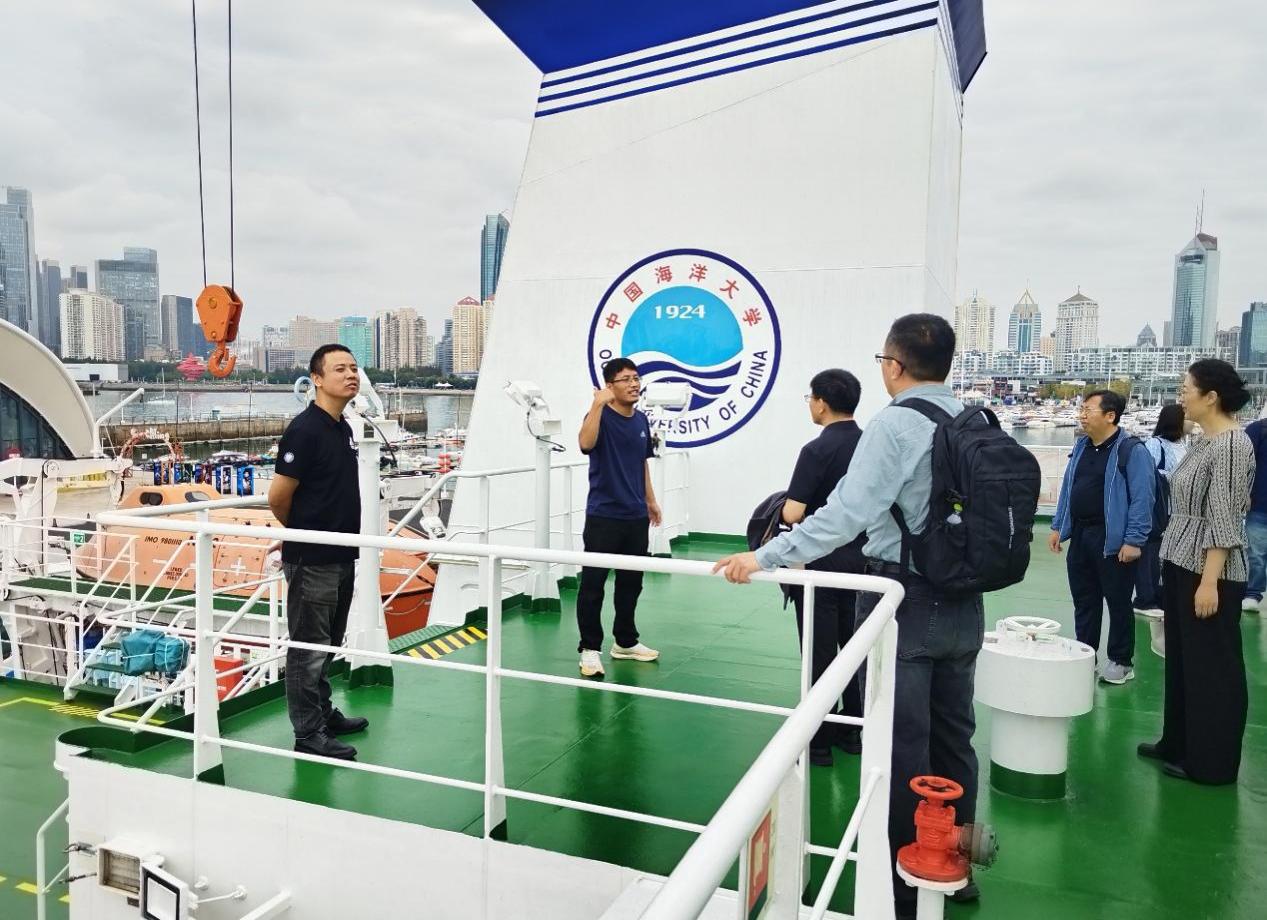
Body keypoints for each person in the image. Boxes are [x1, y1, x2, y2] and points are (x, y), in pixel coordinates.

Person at [714, 314, 982, 917]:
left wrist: (763, 556)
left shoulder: (896, 424)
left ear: (894, 365)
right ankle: (955, 867)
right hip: (967, 599)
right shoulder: (971, 419)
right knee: (955, 738)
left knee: (902, 742)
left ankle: (907, 882)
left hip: (905, 596)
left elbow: (844, 515)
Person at [1139, 360, 1253, 784]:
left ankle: (1211, 763)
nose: (1181, 396)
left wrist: (1209, 582)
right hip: (1182, 560)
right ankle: (1178, 742)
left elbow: (1224, 517)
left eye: (1186, 389)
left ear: (1212, 396)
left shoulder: (1231, 445)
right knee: (1184, 661)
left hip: (1208, 570)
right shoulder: (1204, 441)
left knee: (1213, 668)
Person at [268, 344, 368, 761]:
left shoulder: (341, 427)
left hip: (342, 554)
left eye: (354, 367)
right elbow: (278, 497)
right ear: (317, 380)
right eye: (340, 369)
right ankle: (308, 734)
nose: (351, 374)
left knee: (328, 644)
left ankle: (323, 714)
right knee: (308, 650)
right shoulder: (305, 430)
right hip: (312, 560)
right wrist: (299, 532)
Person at [784, 369, 868, 767]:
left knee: (819, 650)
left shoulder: (815, 451)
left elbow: (793, 512)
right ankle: (852, 731)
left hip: (822, 562)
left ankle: (817, 741)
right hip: (865, 562)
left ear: (821, 402)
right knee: (856, 646)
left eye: (810, 398)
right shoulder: (870, 445)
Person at [1048, 390, 1154, 685]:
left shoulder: (1131, 450)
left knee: (1118, 602)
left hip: (1113, 539)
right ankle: (1086, 654)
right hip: (1081, 535)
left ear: (1110, 416)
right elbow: (1069, 487)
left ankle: (1121, 661)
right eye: (1081, 409)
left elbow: (1143, 498)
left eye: (1088, 410)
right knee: (1085, 600)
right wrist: (1058, 526)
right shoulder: (1081, 446)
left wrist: (1133, 540)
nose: (1081, 415)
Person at [575, 358, 662, 678]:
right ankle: (589, 649)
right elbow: (585, 444)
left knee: (631, 584)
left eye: (636, 378)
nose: (634, 384)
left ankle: (625, 642)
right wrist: (597, 404)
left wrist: (651, 501)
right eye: (626, 379)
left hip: (635, 516)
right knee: (593, 586)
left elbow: (641, 463)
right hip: (604, 516)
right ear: (610, 386)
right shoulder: (599, 416)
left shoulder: (640, 420)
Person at [1132, 404, 1187, 615]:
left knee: (1166, 556)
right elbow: (1147, 475)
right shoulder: (1155, 444)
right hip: (1159, 510)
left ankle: (1162, 596)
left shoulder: (1184, 445)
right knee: (1150, 554)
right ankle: (1145, 599)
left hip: (1179, 511)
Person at [1240, 408, 1267, 612]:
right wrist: (1245, 492)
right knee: (1256, 554)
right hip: (1259, 504)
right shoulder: (1258, 430)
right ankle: (1253, 592)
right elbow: (1243, 465)